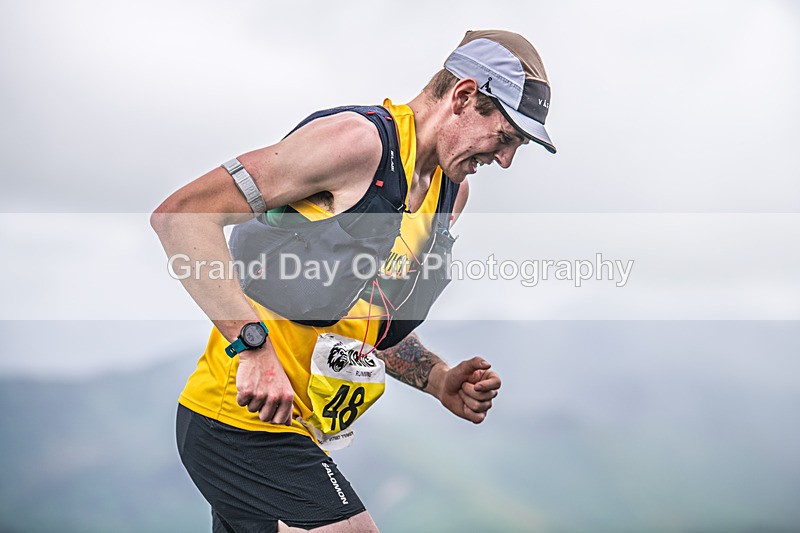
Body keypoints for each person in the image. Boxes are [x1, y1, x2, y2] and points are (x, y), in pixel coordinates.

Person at [151, 29, 556, 533]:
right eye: (506, 137)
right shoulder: (357, 145)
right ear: (465, 96)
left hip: (298, 431)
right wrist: (253, 348)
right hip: (236, 421)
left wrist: (437, 379)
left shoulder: (450, 195)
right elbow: (181, 217)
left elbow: (362, 317)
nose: (505, 159)